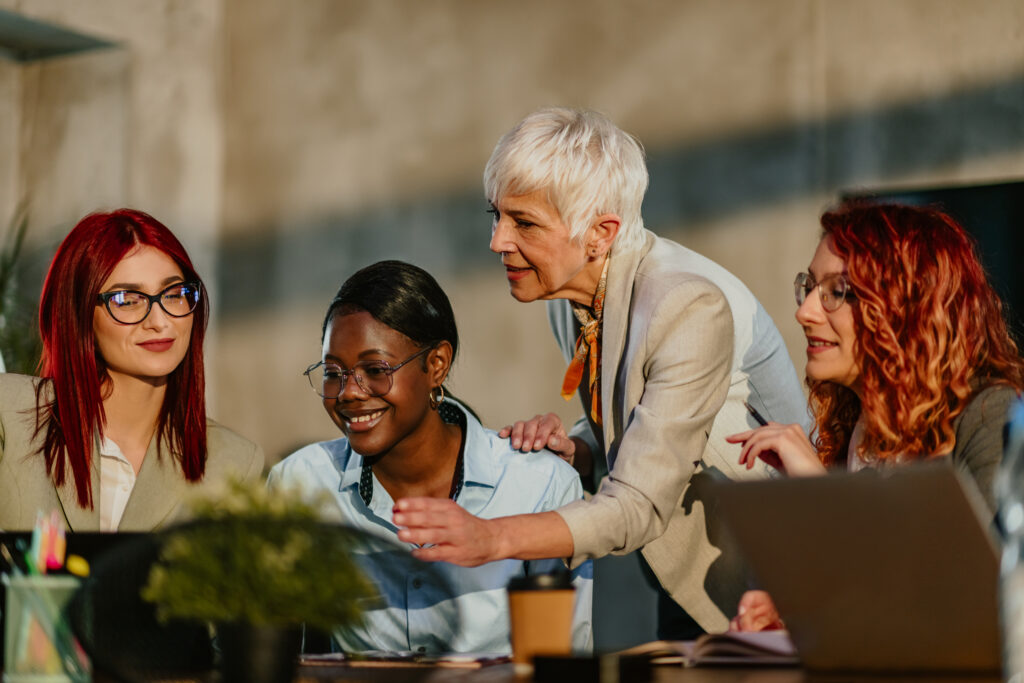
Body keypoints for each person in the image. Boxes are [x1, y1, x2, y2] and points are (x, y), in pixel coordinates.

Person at [392, 107, 808, 638]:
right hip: (682, 571)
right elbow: (654, 412)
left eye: (524, 223)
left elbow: (638, 502)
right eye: (495, 215)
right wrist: (581, 446)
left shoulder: (686, 305)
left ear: (600, 233)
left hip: (771, 584)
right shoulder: (565, 289)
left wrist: (490, 539)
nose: (497, 240)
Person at [266, 260, 592, 655]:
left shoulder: (540, 485)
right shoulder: (299, 484)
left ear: (436, 364)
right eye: (334, 372)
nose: (349, 392)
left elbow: (563, 663)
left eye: (375, 369)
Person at [727, 200, 1024, 632]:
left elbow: (987, 602)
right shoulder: (853, 426)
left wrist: (825, 496)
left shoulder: (990, 416)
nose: (805, 311)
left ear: (907, 307)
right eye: (809, 286)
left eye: (837, 291)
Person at [0, 209, 264, 532]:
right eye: (127, 300)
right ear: (79, 315)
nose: (159, 321)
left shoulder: (234, 463)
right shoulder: (10, 416)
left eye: (174, 294)